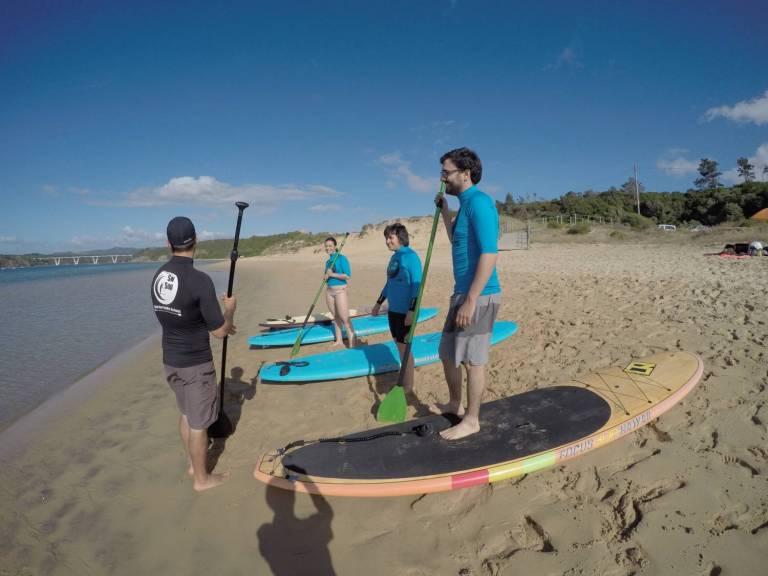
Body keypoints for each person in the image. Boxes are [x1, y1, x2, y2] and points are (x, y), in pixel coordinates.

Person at [151, 216, 236, 491]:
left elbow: (172, 315)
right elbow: (220, 331)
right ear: (195, 239)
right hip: (196, 363)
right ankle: (202, 479)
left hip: (170, 361)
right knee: (199, 423)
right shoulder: (199, 280)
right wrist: (230, 310)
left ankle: (192, 464)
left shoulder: (159, 275)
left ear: (168, 243)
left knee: (187, 413)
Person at [434, 147, 501, 440]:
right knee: (447, 353)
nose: (442, 178)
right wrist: (445, 212)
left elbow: (489, 253)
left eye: (446, 172)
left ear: (465, 173)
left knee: (473, 361)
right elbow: (457, 241)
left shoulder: (480, 203)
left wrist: (471, 299)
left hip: (480, 295)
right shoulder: (463, 207)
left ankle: (472, 420)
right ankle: (454, 404)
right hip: (461, 292)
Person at [371, 223, 423, 394]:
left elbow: (417, 286)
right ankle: (406, 378)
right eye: (386, 238)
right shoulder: (394, 258)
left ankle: (409, 385)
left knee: (405, 348)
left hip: (405, 312)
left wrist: (412, 311)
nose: (387, 241)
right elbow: (389, 283)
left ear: (400, 237)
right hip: (393, 310)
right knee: (399, 345)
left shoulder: (411, 257)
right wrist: (378, 303)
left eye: (390, 237)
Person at [323, 237, 356, 347]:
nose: (328, 248)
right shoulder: (328, 262)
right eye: (326, 246)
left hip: (340, 291)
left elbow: (347, 275)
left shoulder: (342, 258)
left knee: (344, 318)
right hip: (329, 291)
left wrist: (332, 274)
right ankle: (339, 340)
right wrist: (325, 277)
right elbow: (327, 277)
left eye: (330, 246)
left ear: (335, 246)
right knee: (336, 317)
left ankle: (352, 344)